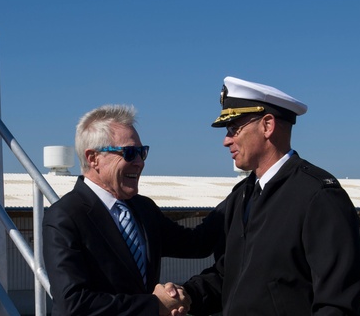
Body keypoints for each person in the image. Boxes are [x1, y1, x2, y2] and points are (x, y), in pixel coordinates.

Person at [181, 76, 360, 315]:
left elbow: (338, 303)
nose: (226, 141)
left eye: (234, 129)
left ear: (267, 126)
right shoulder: (242, 196)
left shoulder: (318, 196)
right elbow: (231, 277)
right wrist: (184, 295)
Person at [42, 104, 224, 316]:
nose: (139, 162)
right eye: (129, 153)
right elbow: (73, 304)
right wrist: (155, 306)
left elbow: (197, 244)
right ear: (93, 158)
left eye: (142, 152)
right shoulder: (65, 216)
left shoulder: (143, 208)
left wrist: (248, 188)